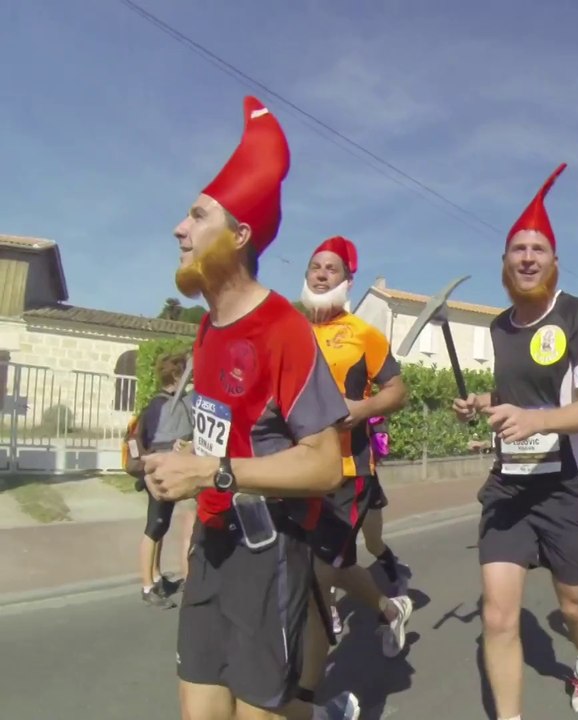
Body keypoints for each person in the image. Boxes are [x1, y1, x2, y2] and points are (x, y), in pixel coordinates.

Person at [143, 96, 360, 720]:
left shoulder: (283, 330)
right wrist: (188, 463)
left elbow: (323, 467)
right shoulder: (208, 329)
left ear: (239, 236)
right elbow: (225, 437)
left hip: (269, 558)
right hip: (211, 547)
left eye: (198, 216)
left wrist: (213, 472)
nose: (180, 230)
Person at [451, 163, 578, 719]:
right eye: (517, 249)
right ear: (504, 263)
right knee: (498, 615)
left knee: (572, 604)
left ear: (554, 260)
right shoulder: (498, 328)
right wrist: (482, 406)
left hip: (570, 488)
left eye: (537, 248)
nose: (527, 257)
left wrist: (537, 421)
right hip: (511, 488)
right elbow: (510, 399)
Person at [299, 235, 412, 662]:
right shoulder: (290, 331)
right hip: (295, 466)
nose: (322, 273)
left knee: (324, 565)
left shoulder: (364, 334)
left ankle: (375, 610)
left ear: (347, 280)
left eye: (332, 268)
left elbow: (397, 392)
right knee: (316, 563)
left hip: (348, 466)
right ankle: (376, 608)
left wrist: (363, 408)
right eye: (316, 266)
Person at [133, 351, 194, 608]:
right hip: (159, 470)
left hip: (160, 468)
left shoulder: (160, 403)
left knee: (161, 524)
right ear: (178, 376)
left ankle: (156, 577)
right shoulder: (165, 405)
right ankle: (147, 586)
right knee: (154, 526)